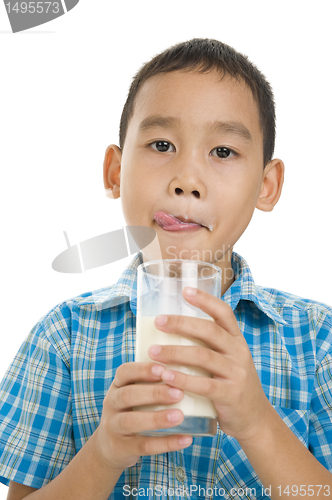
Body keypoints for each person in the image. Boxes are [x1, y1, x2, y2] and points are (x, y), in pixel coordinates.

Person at [1, 38, 331, 500]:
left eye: (222, 152)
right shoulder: (64, 338)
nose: (187, 181)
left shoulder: (316, 340)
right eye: (162, 144)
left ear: (267, 185)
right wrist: (103, 453)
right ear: (115, 172)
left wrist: (257, 422)